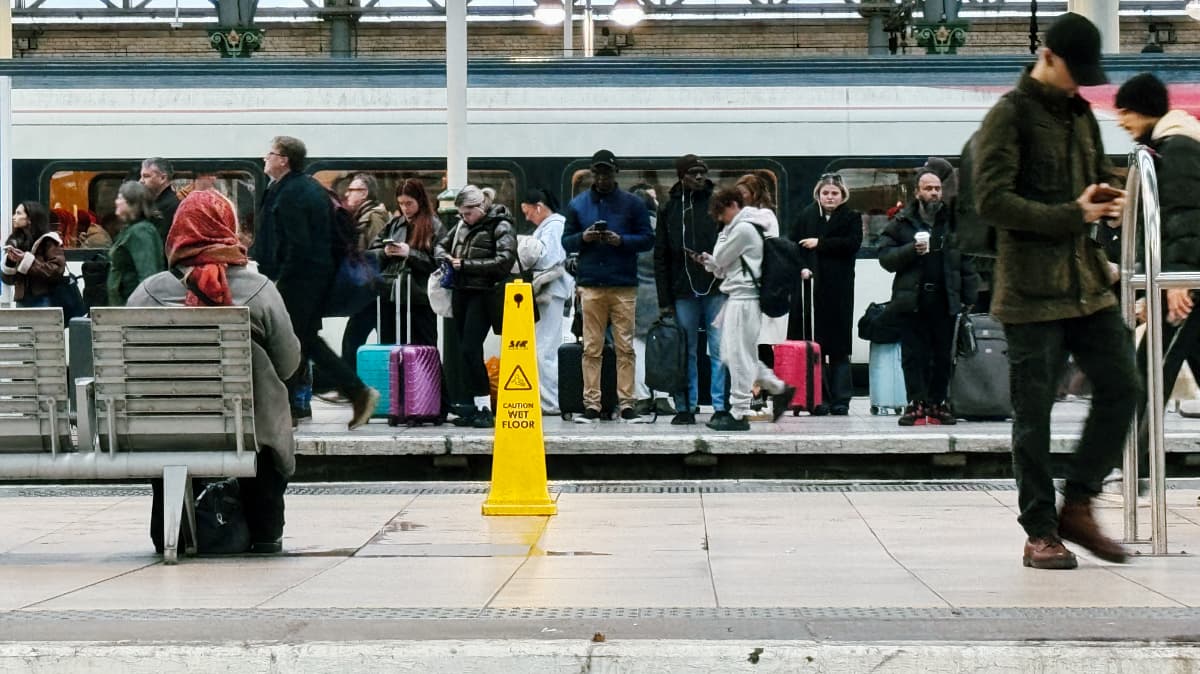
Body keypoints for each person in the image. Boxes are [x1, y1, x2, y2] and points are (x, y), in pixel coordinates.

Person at [974, 12, 1135, 570]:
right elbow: (991, 201)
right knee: (1033, 414)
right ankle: (1040, 529)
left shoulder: (1081, 115)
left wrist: (1107, 193)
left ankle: (1081, 503)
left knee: (1124, 384)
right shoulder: (1009, 116)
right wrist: (1074, 213)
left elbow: (1092, 175)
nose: (1081, 82)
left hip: (1086, 284)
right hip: (1031, 292)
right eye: (1075, 70)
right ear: (1047, 56)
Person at [127, 190, 302, 555]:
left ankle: (173, 526)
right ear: (227, 229)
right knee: (265, 402)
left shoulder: (148, 293)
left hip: (168, 432)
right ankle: (265, 528)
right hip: (251, 433)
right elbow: (288, 364)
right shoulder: (259, 290)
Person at [252, 135, 379, 430]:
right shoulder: (298, 188)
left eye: (269, 153)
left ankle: (352, 392)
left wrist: (281, 280)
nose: (264, 158)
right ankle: (295, 408)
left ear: (284, 159)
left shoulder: (294, 192)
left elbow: (298, 244)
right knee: (300, 340)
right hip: (309, 278)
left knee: (294, 339)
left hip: (300, 280)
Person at [1113, 73, 1200, 477]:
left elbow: (1185, 217)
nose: (1121, 121)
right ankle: (1136, 466)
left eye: (1126, 111)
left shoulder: (1178, 149)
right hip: (1180, 281)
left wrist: (1176, 280)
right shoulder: (1170, 146)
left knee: (1150, 373)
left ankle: (1136, 467)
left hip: (1186, 285)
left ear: (1145, 109)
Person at [877, 170, 978, 426]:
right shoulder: (902, 222)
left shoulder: (953, 222)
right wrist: (912, 250)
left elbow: (966, 261)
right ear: (917, 192)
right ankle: (916, 403)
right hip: (913, 300)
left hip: (945, 298)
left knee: (943, 355)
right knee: (913, 355)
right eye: (928, 188)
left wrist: (969, 295)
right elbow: (886, 258)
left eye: (937, 188)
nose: (934, 192)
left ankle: (937, 403)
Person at [562, 149, 655, 424]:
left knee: (623, 346)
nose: (602, 177)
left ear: (615, 173)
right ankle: (593, 403)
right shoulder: (579, 205)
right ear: (593, 173)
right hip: (595, 284)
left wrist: (620, 241)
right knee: (593, 347)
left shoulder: (632, 204)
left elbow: (647, 239)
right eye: (598, 172)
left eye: (607, 172)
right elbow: (567, 241)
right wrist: (585, 237)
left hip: (619, 283)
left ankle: (626, 402)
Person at [696, 188, 796, 431]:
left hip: (744, 300)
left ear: (732, 205)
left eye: (720, 213)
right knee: (735, 355)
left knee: (739, 357)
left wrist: (719, 243)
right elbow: (723, 267)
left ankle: (739, 412)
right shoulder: (746, 227)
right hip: (739, 298)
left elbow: (721, 257)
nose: (719, 219)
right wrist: (710, 263)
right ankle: (777, 388)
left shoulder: (742, 229)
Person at [655, 153, 729, 425]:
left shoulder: (717, 205)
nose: (699, 177)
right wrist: (665, 300)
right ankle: (686, 405)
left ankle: (721, 405)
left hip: (716, 287)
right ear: (681, 176)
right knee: (685, 349)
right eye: (693, 172)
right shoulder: (669, 209)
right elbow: (660, 256)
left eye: (702, 172)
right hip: (683, 289)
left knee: (719, 348)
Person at [436, 185, 517, 428]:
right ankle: (473, 406)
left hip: (484, 294)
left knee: (471, 348)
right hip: (462, 292)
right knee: (464, 351)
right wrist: (445, 257)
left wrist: (465, 264)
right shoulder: (461, 225)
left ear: (480, 208)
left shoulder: (501, 226)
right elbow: (440, 244)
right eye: (461, 214)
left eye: (467, 213)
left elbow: (504, 261)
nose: (463, 218)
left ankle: (485, 408)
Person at [344, 178, 446, 368]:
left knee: (425, 350)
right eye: (401, 203)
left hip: (418, 298)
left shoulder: (434, 226)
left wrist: (411, 254)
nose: (405, 208)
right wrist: (385, 252)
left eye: (409, 203)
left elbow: (439, 263)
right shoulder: (395, 224)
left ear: (420, 201)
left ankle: (437, 397)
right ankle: (398, 395)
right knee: (391, 350)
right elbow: (372, 251)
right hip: (391, 296)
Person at [789, 173, 863, 415]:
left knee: (840, 348)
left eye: (834, 193)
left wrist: (820, 243)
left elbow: (852, 244)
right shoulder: (806, 216)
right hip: (812, 289)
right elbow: (792, 245)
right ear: (818, 195)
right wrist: (801, 267)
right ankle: (818, 398)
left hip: (839, 290)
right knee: (816, 345)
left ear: (842, 196)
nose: (830, 197)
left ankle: (841, 400)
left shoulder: (852, 218)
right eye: (826, 193)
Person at [520, 187, 573, 417]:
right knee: (543, 346)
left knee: (545, 348)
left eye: (528, 211)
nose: (527, 217)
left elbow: (549, 259)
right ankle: (548, 398)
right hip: (550, 292)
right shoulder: (552, 226)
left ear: (539, 206)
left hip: (550, 292)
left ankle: (550, 402)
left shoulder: (554, 227)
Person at [736, 173, 788, 376]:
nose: (739, 197)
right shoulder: (744, 215)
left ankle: (762, 389)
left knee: (761, 339)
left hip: (761, 282)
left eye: (743, 193)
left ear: (753, 194)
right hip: (746, 282)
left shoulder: (764, 216)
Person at [629, 183, 673, 416]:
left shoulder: (629, 232)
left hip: (634, 296)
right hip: (660, 294)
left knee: (637, 346)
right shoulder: (662, 229)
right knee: (662, 345)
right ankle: (664, 397)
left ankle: (643, 397)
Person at [106, 181, 166, 306]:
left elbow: (147, 276)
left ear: (132, 203)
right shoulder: (132, 230)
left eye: (120, 197)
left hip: (132, 307)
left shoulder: (140, 232)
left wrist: (138, 312)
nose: (116, 201)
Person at [2, 202, 65, 308]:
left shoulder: (48, 240)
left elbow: (57, 269)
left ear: (30, 219)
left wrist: (27, 261)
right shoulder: (14, 242)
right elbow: (8, 281)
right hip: (22, 301)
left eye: (18, 213)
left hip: (45, 299)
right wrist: (10, 261)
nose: (14, 217)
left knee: (45, 325)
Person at [344, 173, 390, 254]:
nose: (346, 194)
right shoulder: (362, 216)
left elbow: (381, 253)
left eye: (351, 190)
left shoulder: (374, 217)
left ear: (364, 194)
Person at [140, 157, 180, 242]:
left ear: (163, 178)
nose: (141, 181)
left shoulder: (171, 206)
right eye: (141, 176)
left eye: (146, 176)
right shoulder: (153, 203)